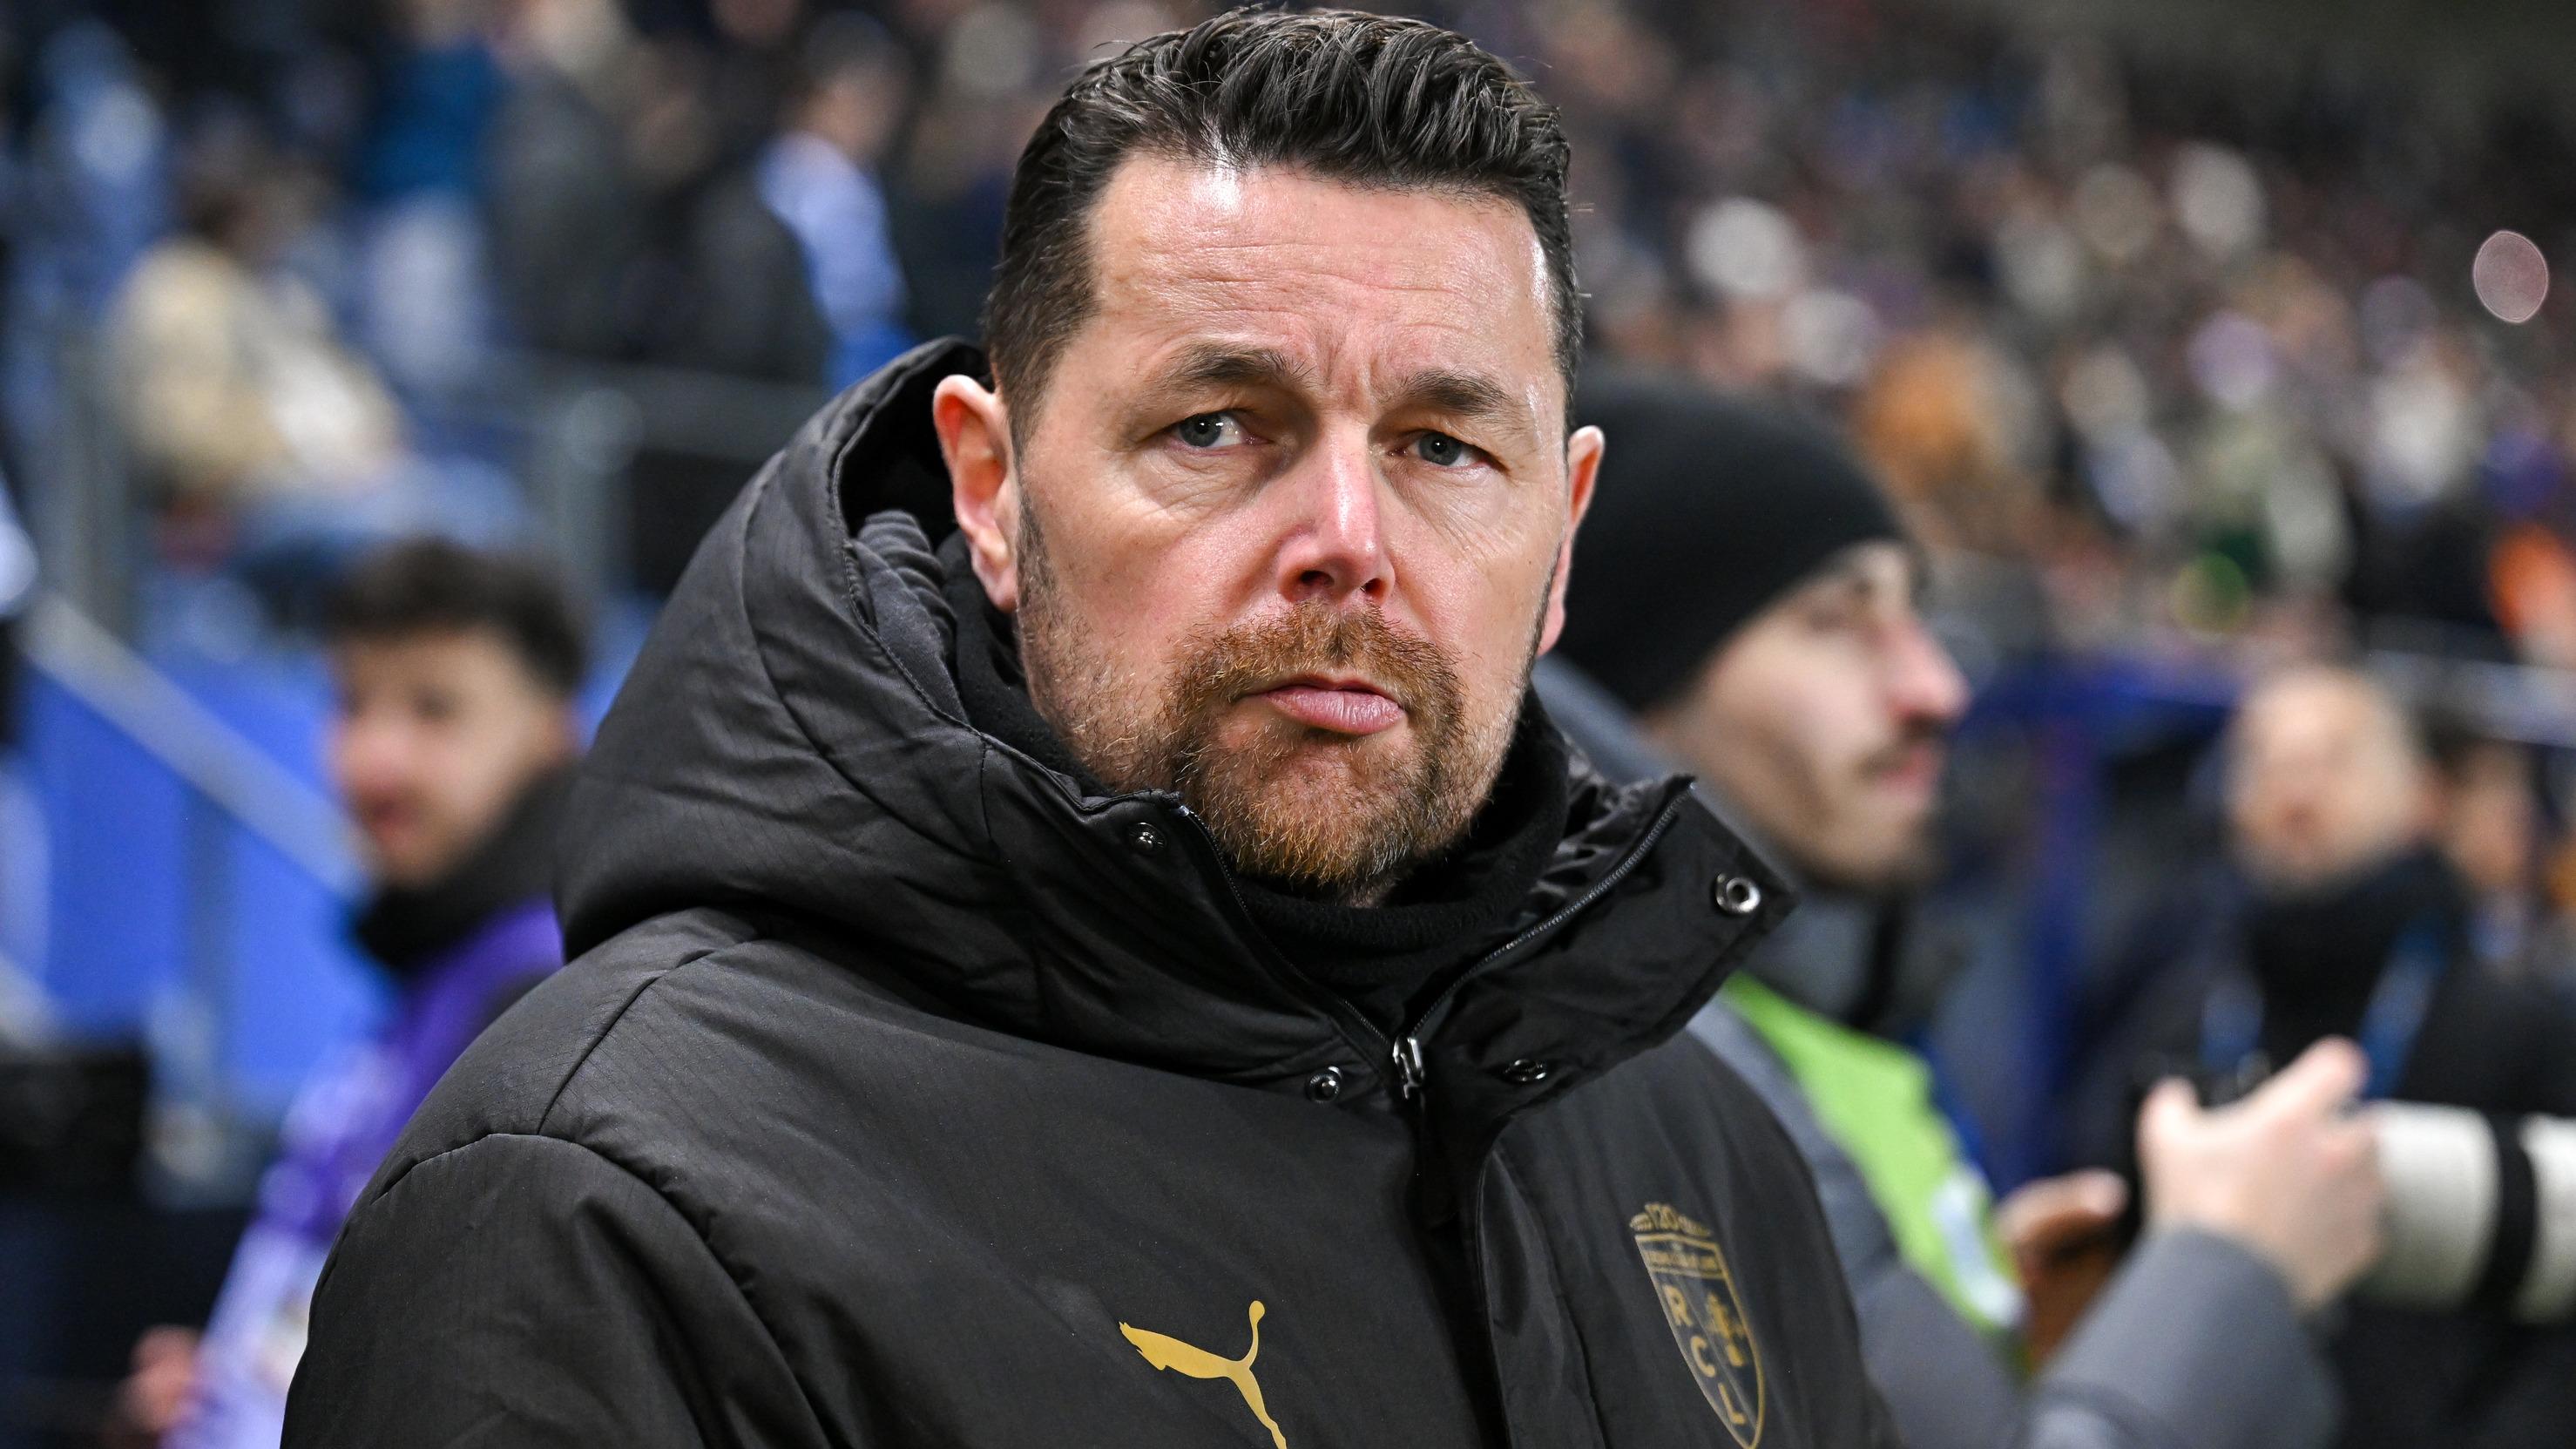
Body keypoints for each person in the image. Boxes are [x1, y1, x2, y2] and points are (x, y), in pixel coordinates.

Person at [283, 13, 1900, 1447]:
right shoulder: (598, 1206)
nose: (1348, 538)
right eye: (1218, 427)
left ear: (1563, 540)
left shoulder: (1704, 1151)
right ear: (990, 489)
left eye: (1442, 448)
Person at [1540, 369, 2387, 1449]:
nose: (1935, 687)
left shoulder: (1803, 1012)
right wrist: (2225, 1282)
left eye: (1914, 617)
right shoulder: (1638, 1055)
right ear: (1637, 684)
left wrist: (1989, 1330)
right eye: (1837, 621)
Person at [112, 538, 587, 1449]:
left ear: (550, 733)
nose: (376, 760)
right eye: (352, 703)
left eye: (434, 709)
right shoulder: (442, 968)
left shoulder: (544, 993)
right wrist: (228, 1386)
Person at [2079, 663, 2576, 1449]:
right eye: (2264, 761)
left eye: (2333, 759)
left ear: (2420, 798)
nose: (2294, 793)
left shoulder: (2513, 1023)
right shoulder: (2180, 1013)